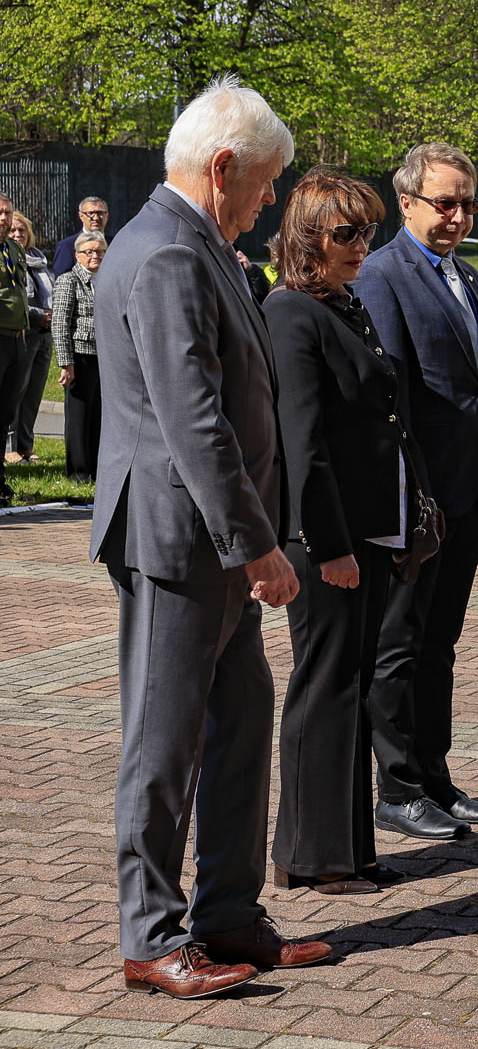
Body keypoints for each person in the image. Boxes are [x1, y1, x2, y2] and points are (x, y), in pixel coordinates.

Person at [91, 74, 330, 999]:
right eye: (266, 182)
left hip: (216, 544)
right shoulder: (166, 255)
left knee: (239, 728)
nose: (271, 200)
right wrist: (255, 542)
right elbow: (193, 421)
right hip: (181, 541)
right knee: (164, 740)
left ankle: (227, 911)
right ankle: (151, 935)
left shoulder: (202, 246)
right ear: (222, 167)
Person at [266, 169, 433, 895]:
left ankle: (351, 848)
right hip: (324, 538)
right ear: (307, 238)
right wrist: (329, 546)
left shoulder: (343, 304)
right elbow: (303, 444)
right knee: (324, 688)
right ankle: (310, 855)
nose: (362, 243)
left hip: (366, 532)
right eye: (345, 232)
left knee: (353, 687)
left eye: (367, 229)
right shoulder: (290, 312)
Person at [355, 143, 478, 842]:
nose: (458, 216)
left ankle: (436, 775)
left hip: (467, 494)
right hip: (416, 502)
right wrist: (411, 497)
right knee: (400, 643)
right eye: (445, 202)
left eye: (467, 203)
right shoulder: (383, 276)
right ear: (408, 203)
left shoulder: (467, 276)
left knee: (440, 643)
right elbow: (390, 403)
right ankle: (397, 786)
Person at [51, 230, 105, 479]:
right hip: (80, 356)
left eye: (100, 251)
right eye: (90, 251)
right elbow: (60, 324)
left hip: (104, 357)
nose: (95, 255)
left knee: (98, 416)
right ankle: (78, 472)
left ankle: (95, 469)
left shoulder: (105, 280)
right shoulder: (68, 280)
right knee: (79, 417)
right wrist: (66, 362)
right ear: (77, 255)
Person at [8, 214, 54, 463]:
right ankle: (9, 446)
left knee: (34, 393)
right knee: (16, 391)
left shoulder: (39, 259)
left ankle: (26, 444)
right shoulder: (8, 258)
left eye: (22, 231)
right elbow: (15, 299)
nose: (18, 235)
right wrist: (38, 316)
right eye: (14, 231)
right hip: (23, 332)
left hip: (45, 336)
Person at [0, 197, 29, 506]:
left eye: (7, 213)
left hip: (16, 340)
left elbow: (19, 290)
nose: (3, 218)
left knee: (6, 413)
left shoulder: (14, 250)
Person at [51, 197, 109, 279]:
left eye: (100, 213)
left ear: (107, 216)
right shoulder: (67, 246)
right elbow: (61, 280)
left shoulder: (116, 243)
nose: (96, 218)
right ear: (81, 216)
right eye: (91, 213)